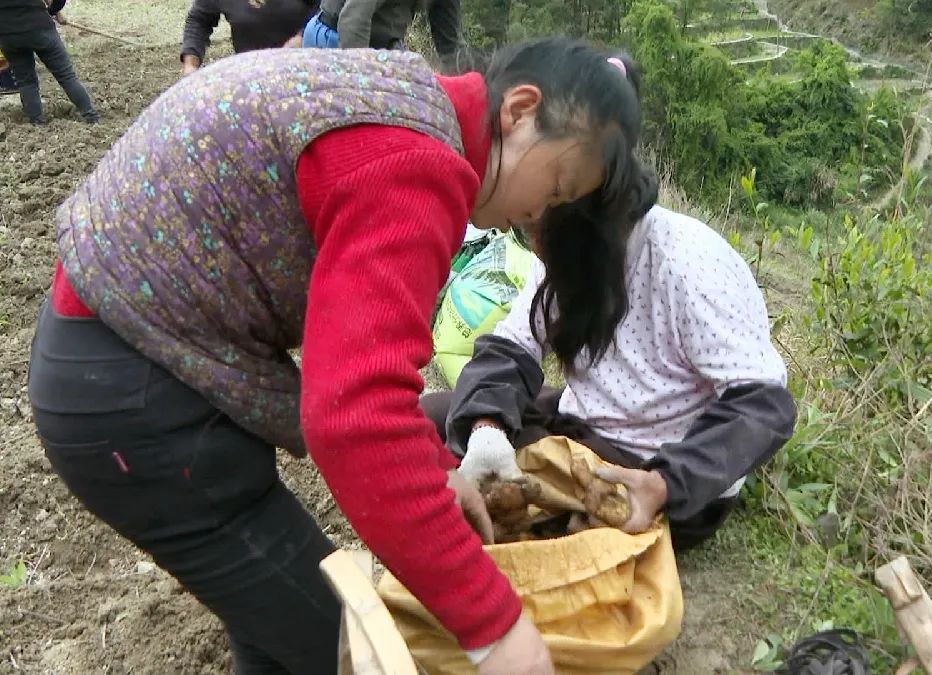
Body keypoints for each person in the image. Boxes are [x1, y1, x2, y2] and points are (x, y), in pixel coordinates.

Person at [29, 38, 645, 674]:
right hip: (133, 394)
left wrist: (436, 470)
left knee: (272, 618)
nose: (540, 213)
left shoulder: (406, 97)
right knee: (342, 650)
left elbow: (362, 369)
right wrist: (498, 632)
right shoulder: (415, 163)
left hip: (131, 352)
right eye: (558, 184)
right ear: (520, 110)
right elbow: (357, 417)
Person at [422, 202, 798, 549]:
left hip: (653, 465)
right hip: (583, 420)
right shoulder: (558, 244)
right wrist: (488, 431)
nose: (536, 246)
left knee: (526, 493)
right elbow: (514, 345)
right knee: (435, 415)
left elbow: (763, 404)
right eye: (529, 231)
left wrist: (665, 483)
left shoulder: (687, 264)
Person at [0, 0, 97, 124]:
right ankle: (91, 117)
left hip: (9, 35)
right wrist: (53, 11)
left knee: (26, 82)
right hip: (39, 27)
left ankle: (37, 122)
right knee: (67, 76)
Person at [302, 0, 463, 71]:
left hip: (384, 47)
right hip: (335, 39)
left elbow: (450, 47)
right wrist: (362, 84)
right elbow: (352, 21)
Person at [179, 0, 319, 76]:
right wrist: (190, 64)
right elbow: (199, 20)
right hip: (251, 74)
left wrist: (303, 36)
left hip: (305, 70)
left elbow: (329, 10)